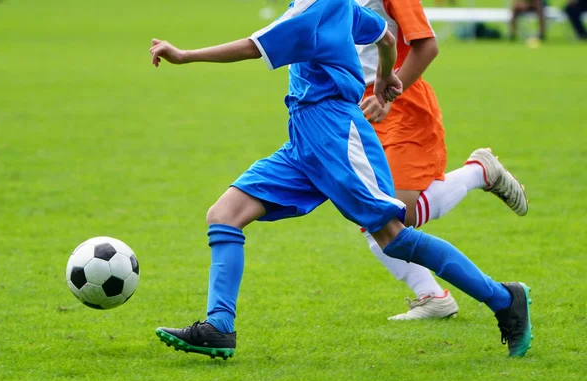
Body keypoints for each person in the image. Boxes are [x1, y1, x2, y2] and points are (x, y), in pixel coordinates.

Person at [149, 0, 533, 360]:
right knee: (225, 213)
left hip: (336, 133)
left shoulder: (313, 7)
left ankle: (504, 299)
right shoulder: (340, 4)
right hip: (304, 138)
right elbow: (384, 35)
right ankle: (219, 327)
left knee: (393, 237)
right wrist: (385, 78)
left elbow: (253, 46)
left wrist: (185, 55)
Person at [355, 0, 529, 320]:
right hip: (357, 106)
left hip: (400, 104)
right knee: (367, 212)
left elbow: (428, 47)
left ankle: (478, 172)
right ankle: (432, 296)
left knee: (393, 215)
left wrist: (386, 94)